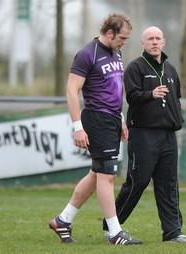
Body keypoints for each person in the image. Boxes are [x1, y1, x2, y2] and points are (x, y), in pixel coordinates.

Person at [48, 12, 142, 245]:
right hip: (96, 120)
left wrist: (120, 118)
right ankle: (114, 232)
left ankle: (63, 220)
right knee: (107, 177)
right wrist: (78, 127)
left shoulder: (116, 52)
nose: (124, 42)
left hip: (111, 120)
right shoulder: (87, 54)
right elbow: (71, 91)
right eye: (122, 37)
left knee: (96, 174)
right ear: (109, 33)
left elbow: (115, 88)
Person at [102, 26, 186, 243]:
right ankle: (112, 225)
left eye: (157, 38)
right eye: (150, 39)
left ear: (164, 42)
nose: (154, 42)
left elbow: (177, 98)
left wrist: (177, 117)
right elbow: (132, 97)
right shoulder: (135, 68)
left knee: (168, 184)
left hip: (168, 136)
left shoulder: (170, 70)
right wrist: (151, 94)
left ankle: (172, 232)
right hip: (143, 133)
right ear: (142, 43)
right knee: (138, 181)